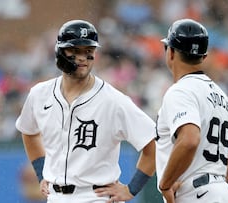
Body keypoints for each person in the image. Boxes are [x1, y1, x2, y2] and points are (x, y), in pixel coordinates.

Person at [15, 20, 156, 203]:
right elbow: (28, 132)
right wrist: (42, 173)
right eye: (75, 50)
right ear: (60, 52)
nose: (82, 57)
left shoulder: (113, 101)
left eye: (88, 51)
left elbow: (153, 144)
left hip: (96, 196)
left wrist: (131, 189)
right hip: (56, 197)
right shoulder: (39, 94)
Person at [155, 18, 228, 203]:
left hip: (195, 196)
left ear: (171, 52)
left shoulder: (180, 91)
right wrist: (216, 183)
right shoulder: (220, 94)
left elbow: (190, 140)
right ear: (203, 57)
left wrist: (166, 184)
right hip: (221, 194)